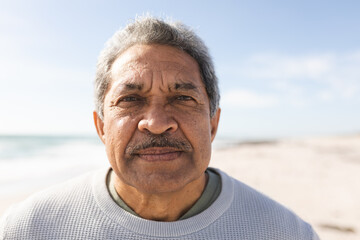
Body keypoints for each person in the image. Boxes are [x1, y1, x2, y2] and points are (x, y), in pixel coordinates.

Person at [0, 16, 319, 240]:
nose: (156, 122)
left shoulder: (286, 233)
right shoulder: (28, 229)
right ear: (101, 127)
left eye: (182, 98)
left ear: (212, 123)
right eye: (130, 99)